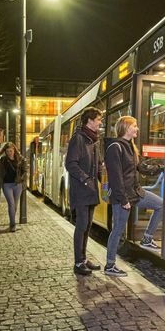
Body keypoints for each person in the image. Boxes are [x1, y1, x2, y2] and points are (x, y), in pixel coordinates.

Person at [104, 115, 163, 277]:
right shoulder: (115, 147)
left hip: (135, 192)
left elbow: (140, 168)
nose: (137, 128)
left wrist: (160, 167)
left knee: (161, 204)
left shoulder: (130, 146)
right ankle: (110, 265)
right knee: (117, 230)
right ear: (125, 127)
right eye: (134, 126)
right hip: (122, 196)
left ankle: (147, 238)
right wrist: (123, 200)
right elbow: (115, 177)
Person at [65, 107, 104, 276]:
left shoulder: (93, 140)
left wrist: (102, 177)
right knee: (81, 225)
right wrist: (86, 179)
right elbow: (71, 164)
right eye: (98, 120)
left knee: (87, 226)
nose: (100, 123)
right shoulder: (78, 139)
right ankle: (78, 262)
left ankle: (83, 258)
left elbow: (97, 165)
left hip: (91, 191)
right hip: (82, 190)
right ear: (89, 120)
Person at [0, 142, 28, 232]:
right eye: (7, 151)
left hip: (17, 185)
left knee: (14, 205)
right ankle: (12, 225)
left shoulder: (20, 159)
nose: (9, 153)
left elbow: (25, 170)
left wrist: (21, 178)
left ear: (14, 150)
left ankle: (12, 222)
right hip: (7, 185)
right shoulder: (2, 160)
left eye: (10, 151)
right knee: (11, 204)